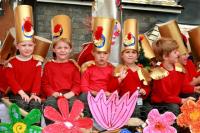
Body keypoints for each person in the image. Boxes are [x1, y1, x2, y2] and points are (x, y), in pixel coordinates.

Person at [108, 19, 151, 121]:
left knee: (149, 110)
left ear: (137, 55)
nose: (130, 55)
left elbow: (147, 87)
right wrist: (119, 80)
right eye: (127, 52)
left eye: (133, 52)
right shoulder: (118, 70)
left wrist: (145, 91)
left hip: (139, 100)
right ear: (122, 55)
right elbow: (111, 89)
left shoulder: (142, 71)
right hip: (123, 101)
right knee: (135, 110)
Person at [150, 38, 200, 116]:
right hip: (161, 103)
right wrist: (182, 100)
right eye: (175, 52)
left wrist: (194, 89)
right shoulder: (160, 74)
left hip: (174, 98)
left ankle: (191, 123)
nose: (178, 54)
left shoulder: (178, 68)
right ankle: (175, 127)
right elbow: (166, 97)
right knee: (174, 107)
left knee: (194, 96)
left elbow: (183, 87)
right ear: (165, 57)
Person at [5, 5, 42, 111]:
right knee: (23, 104)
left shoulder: (37, 62)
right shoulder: (11, 63)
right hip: (16, 93)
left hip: (32, 92)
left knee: (35, 104)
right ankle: (21, 127)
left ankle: (36, 128)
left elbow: (37, 80)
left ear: (34, 45)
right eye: (23, 45)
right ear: (17, 46)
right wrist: (22, 93)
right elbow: (12, 81)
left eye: (30, 45)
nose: (27, 48)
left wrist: (34, 94)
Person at [80, 17, 115, 117]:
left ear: (109, 54)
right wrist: (96, 93)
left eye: (105, 53)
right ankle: (87, 119)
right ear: (93, 53)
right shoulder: (89, 68)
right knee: (84, 96)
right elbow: (84, 87)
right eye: (99, 53)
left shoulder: (112, 69)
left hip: (106, 97)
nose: (102, 56)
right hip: (91, 95)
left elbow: (113, 87)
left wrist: (109, 94)